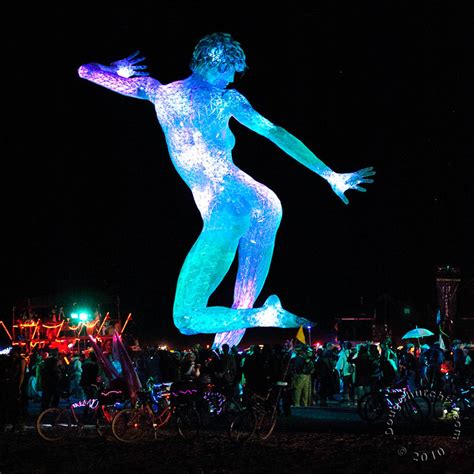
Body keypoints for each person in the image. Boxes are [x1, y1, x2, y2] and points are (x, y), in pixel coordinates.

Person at [78, 32, 375, 347]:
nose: (234, 77)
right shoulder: (207, 97)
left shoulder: (162, 93)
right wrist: (330, 176)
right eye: (229, 69)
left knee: (187, 318)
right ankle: (233, 350)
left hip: (227, 206)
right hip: (261, 202)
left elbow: (86, 71)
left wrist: (115, 68)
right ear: (208, 63)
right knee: (238, 304)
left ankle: (261, 318)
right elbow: (275, 132)